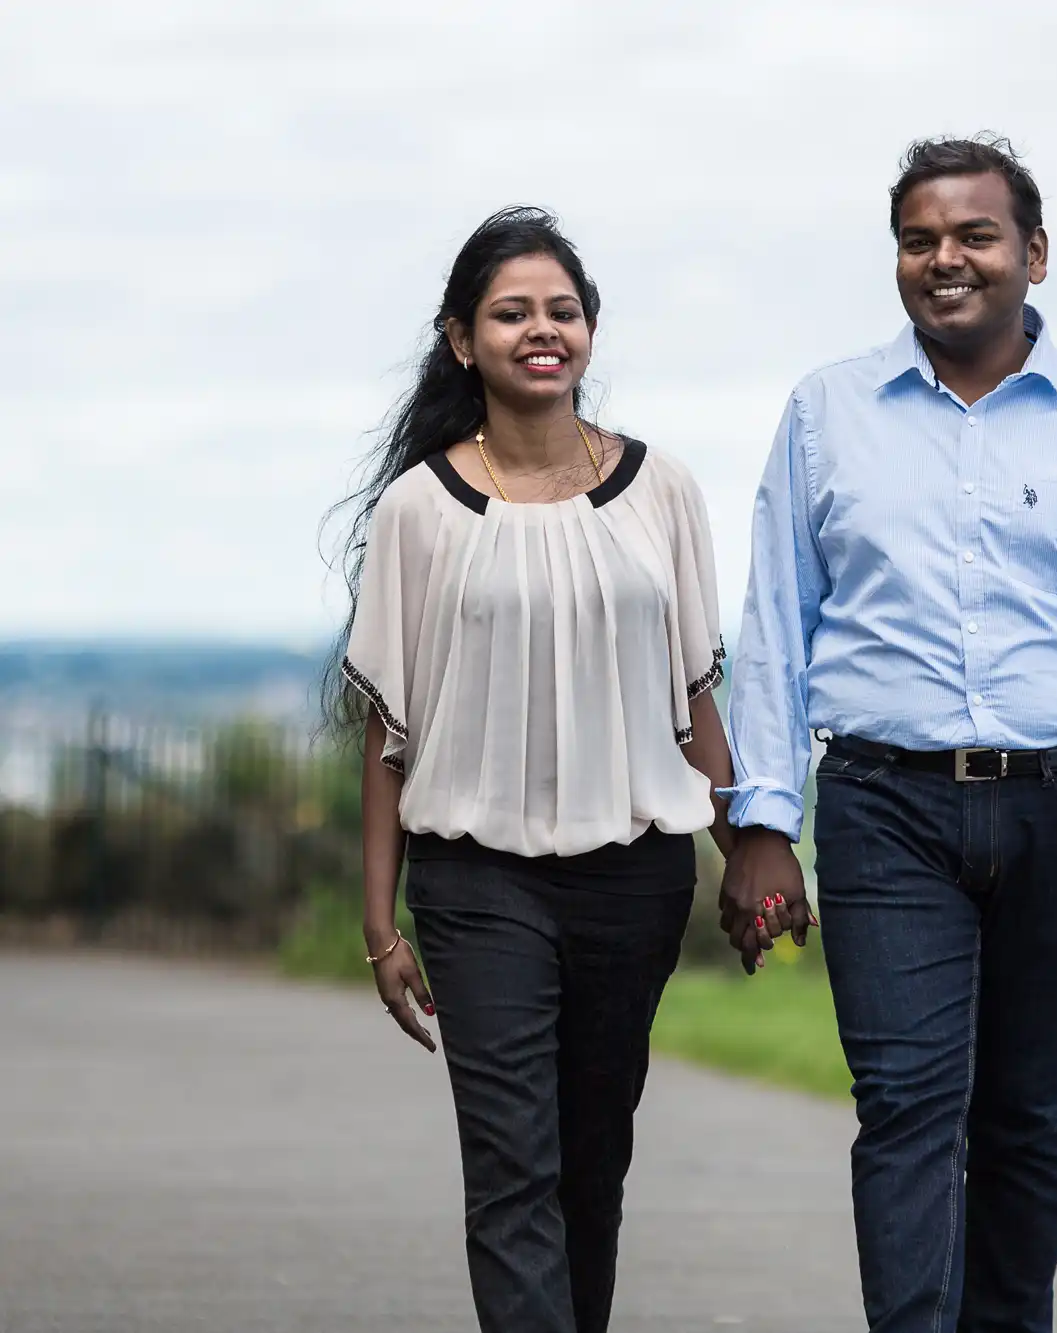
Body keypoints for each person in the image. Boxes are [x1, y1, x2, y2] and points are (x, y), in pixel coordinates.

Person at [720, 135, 1057, 1332]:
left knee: (1029, 1116)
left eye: (974, 235)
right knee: (906, 1104)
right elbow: (775, 623)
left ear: (1032, 254)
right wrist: (761, 823)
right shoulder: (826, 414)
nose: (946, 259)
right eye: (919, 239)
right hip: (885, 805)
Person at [327, 206, 737, 1333]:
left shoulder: (663, 490)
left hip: (634, 877)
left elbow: (695, 691)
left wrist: (747, 847)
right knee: (512, 1172)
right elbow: (387, 731)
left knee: (588, 1167)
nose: (540, 330)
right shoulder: (420, 509)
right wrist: (380, 921)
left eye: (562, 310)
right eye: (511, 313)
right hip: (476, 884)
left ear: (590, 332)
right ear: (463, 340)